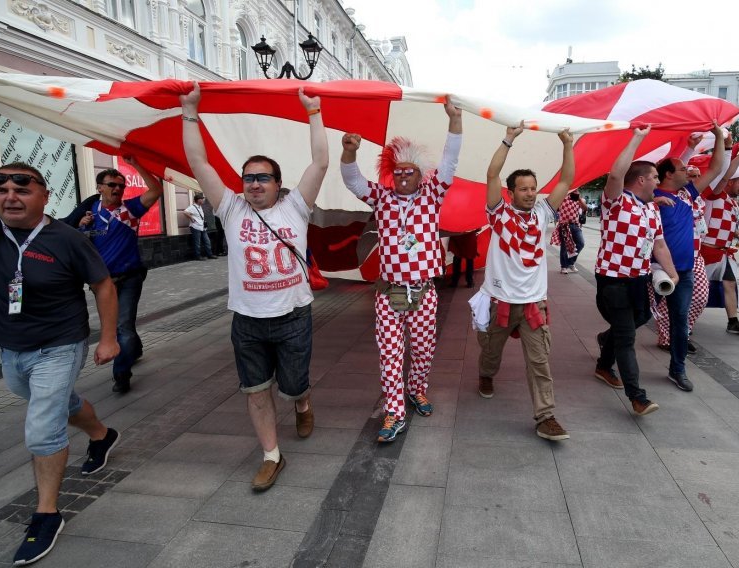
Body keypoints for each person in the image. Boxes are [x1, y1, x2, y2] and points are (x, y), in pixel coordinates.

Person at [181, 82, 327, 491]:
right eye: (248, 178)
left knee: (293, 383)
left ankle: (302, 401)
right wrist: (190, 111)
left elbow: (319, 162)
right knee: (256, 390)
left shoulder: (297, 206)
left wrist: (314, 112)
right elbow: (199, 164)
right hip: (247, 320)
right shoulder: (230, 208)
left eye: (263, 178)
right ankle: (271, 456)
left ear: (279, 183)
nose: (254, 184)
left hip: (294, 316)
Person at [0, 162, 121, 566]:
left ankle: (47, 514)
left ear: (45, 195)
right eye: (0, 188)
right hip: (12, 348)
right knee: (55, 402)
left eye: (22, 187)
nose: (10, 195)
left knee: (41, 429)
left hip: (60, 344)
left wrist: (108, 338)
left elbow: (103, 284)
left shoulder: (66, 238)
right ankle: (102, 435)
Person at [340, 97, 462, 443]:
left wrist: (455, 122)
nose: (403, 176)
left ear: (420, 175)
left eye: (410, 172)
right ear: (391, 174)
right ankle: (394, 411)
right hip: (389, 294)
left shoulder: (432, 194)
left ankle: (416, 389)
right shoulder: (380, 197)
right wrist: (349, 152)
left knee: (423, 350)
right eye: (398, 171)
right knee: (390, 353)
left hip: (424, 293)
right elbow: (352, 180)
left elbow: (450, 161)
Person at [472, 124, 574, 441]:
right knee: (491, 353)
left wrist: (567, 144)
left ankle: (545, 416)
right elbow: (491, 175)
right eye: (524, 188)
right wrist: (509, 139)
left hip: (533, 303)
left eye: (533, 188)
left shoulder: (545, 212)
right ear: (511, 192)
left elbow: (567, 180)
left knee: (540, 362)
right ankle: (486, 375)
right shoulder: (498, 213)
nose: (530, 193)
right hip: (499, 300)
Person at [593, 127, 678, 416]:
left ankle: (605, 358)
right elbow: (616, 175)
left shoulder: (651, 209)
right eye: (655, 176)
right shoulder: (616, 201)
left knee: (640, 318)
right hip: (613, 279)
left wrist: (672, 272)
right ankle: (637, 397)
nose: (658, 181)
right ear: (641, 179)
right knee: (627, 338)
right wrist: (638, 138)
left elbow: (660, 245)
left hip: (639, 279)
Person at [63, 156, 164, 393]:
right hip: (102, 282)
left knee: (123, 327)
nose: (117, 189)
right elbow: (76, 243)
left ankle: (121, 374)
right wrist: (81, 227)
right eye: (112, 185)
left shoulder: (130, 209)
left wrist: (137, 163)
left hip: (130, 277)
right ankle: (134, 349)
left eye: (121, 185)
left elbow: (156, 190)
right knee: (122, 326)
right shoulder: (88, 213)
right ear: (100, 188)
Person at [651, 124, 725, 391]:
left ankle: (677, 369)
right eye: (683, 169)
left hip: (683, 272)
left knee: (680, 323)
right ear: (668, 175)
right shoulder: (652, 195)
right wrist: (651, 204)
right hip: (652, 271)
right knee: (635, 318)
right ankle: (609, 344)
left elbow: (716, 168)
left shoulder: (687, 194)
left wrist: (718, 137)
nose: (689, 172)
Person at [700, 145, 739, 334]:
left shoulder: (731, 201)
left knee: (730, 283)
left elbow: (725, 224)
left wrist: (738, 235)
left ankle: (733, 321)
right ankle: (682, 321)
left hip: (724, 252)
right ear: (729, 182)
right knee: (697, 290)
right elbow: (723, 174)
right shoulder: (714, 195)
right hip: (708, 251)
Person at [551, 189, 586, 274]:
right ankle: (564, 266)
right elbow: (555, 207)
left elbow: (585, 208)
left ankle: (570, 262)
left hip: (576, 225)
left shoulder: (579, 199)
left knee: (581, 243)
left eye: (577, 190)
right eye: (574, 190)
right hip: (564, 225)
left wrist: (580, 199)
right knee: (564, 247)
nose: (576, 191)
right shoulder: (563, 197)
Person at [183, 193, 217, 260]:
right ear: (198, 200)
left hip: (202, 227)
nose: (203, 200)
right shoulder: (192, 207)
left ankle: (209, 254)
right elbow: (185, 212)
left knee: (207, 241)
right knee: (197, 242)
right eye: (202, 199)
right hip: (195, 227)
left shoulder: (200, 207)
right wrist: (191, 218)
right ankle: (197, 256)